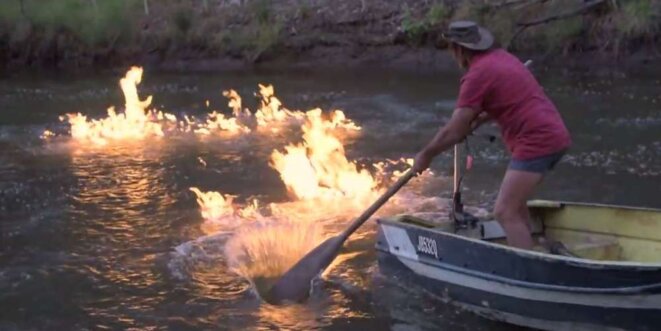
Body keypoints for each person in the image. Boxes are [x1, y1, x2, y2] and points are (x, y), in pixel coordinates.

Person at [412, 21, 572, 250]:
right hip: (555, 134)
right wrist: (478, 118)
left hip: (537, 140)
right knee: (516, 207)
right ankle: (532, 246)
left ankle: (526, 270)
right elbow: (505, 101)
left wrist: (426, 155)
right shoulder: (503, 58)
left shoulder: (477, 75)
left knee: (504, 211)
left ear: (458, 50)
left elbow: (454, 130)